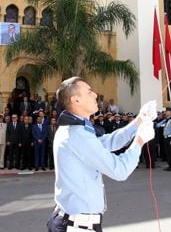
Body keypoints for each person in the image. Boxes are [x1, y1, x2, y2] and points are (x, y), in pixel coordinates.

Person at [47, 77, 156, 232]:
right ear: (75, 100)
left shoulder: (76, 129)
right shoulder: (76, 134)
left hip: (74, 221)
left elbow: (108, 142)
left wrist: (139, 120)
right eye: (89, 91)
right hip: (78, 225)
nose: (95, 95)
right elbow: (120, 170)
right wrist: (140, 140)